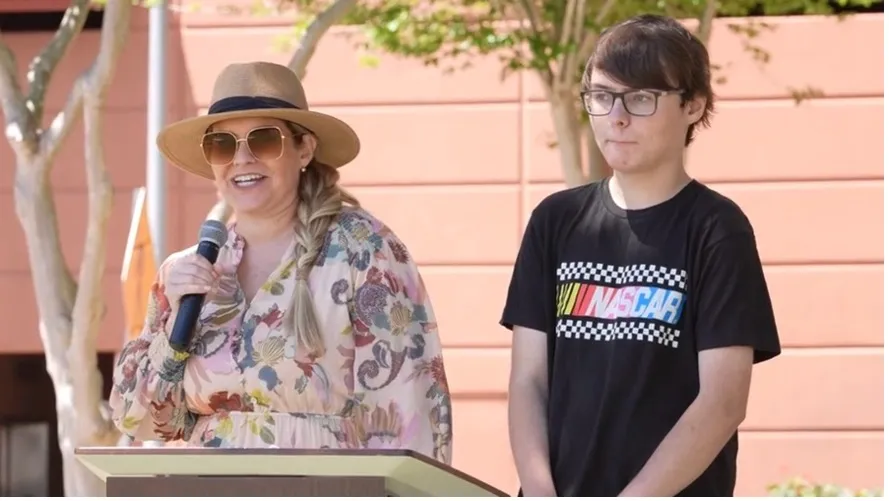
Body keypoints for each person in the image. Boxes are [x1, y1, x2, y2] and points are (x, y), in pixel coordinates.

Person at [110, 61, 452, 464]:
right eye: (222, 145)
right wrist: (172, 327)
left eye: (264, 141)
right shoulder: (187, 271)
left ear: (304, 148)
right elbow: (139, 418)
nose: (241, 159)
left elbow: (411, 417)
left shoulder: (365, 251)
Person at [500, 14, 781, 497]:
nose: (617, 117)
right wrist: (538, 488)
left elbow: (723, 400)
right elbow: (528, 380)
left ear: (693, 105)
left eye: (642, 99)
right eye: (603, 97)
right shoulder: (556, 221)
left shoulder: (717, 230)